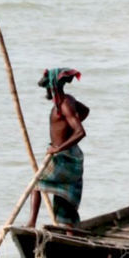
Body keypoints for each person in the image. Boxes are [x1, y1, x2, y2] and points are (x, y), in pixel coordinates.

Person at [28, 68, 88, 228]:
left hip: (65, 156)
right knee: (64, 198)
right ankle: (70, 233)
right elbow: (85, 111)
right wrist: (68, 129)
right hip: (67, 154)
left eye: (47, 89)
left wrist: (58, 148)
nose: (46, 92)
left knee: (37, 183)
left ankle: (31, 223)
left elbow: (80, 132)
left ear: (52, 87)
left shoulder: (64, 106)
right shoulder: (68, 101)